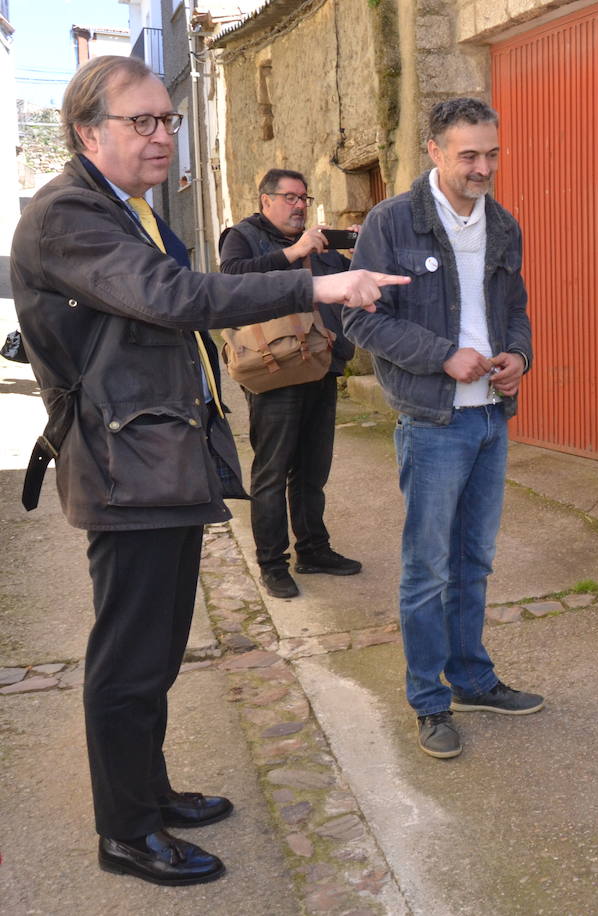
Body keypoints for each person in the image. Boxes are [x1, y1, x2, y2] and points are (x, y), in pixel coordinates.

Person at [9, 56, 406, 886]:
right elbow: (179, 297)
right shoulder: (69, 217)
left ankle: (148, 793)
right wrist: (321, 283)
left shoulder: (128, 209)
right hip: (124, 467)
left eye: (169, 120)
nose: (162, 135)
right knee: (129, 659)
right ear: (88, 132)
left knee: (154, 654)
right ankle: (124, 831)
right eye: (142, 122)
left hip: (158, 456)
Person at [345, 97, 542, 760]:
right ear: (433, 151)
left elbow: (514, 310)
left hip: (490, 416)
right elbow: (362, 321)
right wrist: (442, 356)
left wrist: (518, 356)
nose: (482, 167)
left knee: (475, 562)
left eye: (491, 153)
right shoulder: (391, 223)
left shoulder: (504, 225)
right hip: (432, 422)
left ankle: (473, 680)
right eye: (468, 156)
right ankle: (430, 703)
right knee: (427, 568)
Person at [219, 169, 362, 599]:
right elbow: (232, 278)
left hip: (321, 364)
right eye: (290, 198)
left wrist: (358, 252)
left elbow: (342, 286)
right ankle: (272, 563)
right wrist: (293, 252)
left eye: (303, 198)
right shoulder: (243, 236)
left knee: (313, 469)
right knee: (272, 470)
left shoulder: (318, 244)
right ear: (266, 201)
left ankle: (314, 549)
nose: (299, 205)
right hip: (275, 368)